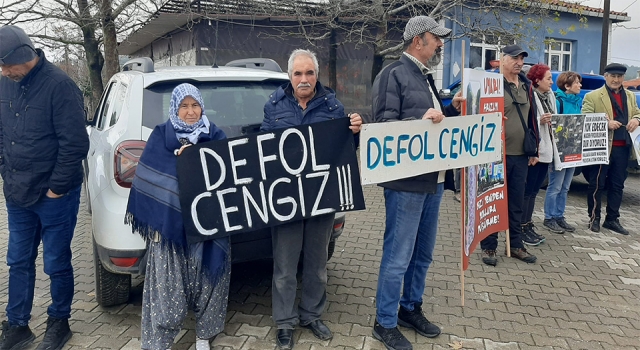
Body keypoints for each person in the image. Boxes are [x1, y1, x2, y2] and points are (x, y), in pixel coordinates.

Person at [369, 16, 463, 350]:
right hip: (406, 184)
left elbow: (435, 126)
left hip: (434, 180)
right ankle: (385, 322)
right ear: (417, 40)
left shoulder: (425, 77)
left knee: (422, 254)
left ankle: (410, 307)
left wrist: (450, 109)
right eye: (436, 39)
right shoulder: (393, 74)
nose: (440, 44)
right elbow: (383, 127)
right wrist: (420, 120)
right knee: (398, 256)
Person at [261, 49, 362, 350]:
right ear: (289, 77)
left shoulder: (333, 106)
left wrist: (355, 132)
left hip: (322, 197)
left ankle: (312, 315)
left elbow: (344, 147)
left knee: (318, 264)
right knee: (285, 265)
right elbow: (264, 149)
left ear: (317, 75)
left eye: (309, 73)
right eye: (297, 74)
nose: (304, 79)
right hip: (286, 200)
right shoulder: (274, 106)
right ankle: (284, 322)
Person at [0, 25, 89, 350]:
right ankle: (18, 325)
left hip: (55, 196)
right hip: (17, 193)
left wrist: (57, 188)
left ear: (23, 56)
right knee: (18, 261)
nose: (4, 71)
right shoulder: (4, 85)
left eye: (6, 64)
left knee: (56, 262)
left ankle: (59, 321)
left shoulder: (60, 86)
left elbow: (76, 144)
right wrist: (5, 171)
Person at [125, 83, 231, 350]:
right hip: (169, 230)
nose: (190, 112)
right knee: (167, 287)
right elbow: (150, 180)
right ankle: (161, 338)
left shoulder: (215, 134)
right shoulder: (161, 136)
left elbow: (228, 177)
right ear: (174, 108)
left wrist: (197, 159)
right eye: (184, 106)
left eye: (195, 105)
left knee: (210, 281)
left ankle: (204, 336)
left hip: (208, 225)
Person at [480, 45, 538, 267]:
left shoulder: (526, 85)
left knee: (516, 202)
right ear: (502, 59)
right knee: (494, 201)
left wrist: (535, 149)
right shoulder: (490, 84)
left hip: (520, 154)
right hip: (495, 154)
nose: (519, 62)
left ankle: (515, 244)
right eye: (514, 58)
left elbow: (532, 117)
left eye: (522, 58)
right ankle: (489, 246)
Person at [582, 63, 640, 234]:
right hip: (602, 147)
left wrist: (636, 119)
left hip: (623, 148)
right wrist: (606, 123)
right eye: (613, 76)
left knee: (617, 185)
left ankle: (612, 219)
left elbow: (637, 112)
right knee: (597, 184)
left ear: (623, 78)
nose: (616, 80)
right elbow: (584, 118)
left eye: (619, 76)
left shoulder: (629, 95)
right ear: (606, 76)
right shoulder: (593, 96)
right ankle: (594, 218)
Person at [520, 64, 557, 242]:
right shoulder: (530, 95)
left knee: (534, 191)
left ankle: (528, 224)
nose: (552, 81)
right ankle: (521, 226)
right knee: (527, 191)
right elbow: (525, 120)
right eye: (548, 78)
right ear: (537, 80)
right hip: (535, 149)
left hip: (547, 149)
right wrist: (539, 120)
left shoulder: (550, 96)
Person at [543, 71, 583, 234]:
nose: (580, 85)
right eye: (577, 83)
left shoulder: (577, 101)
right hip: (559, 152)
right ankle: (549, 217)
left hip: (573, 151)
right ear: (567, 86)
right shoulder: (558, 101)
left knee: (565, 186)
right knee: (555, 186)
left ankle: (559, 216)